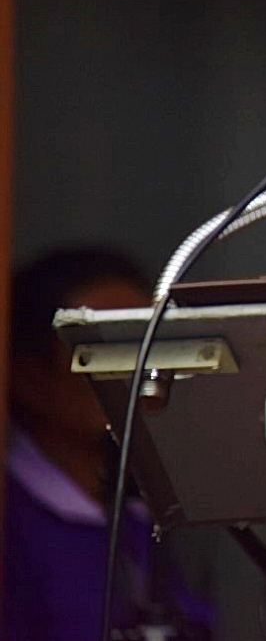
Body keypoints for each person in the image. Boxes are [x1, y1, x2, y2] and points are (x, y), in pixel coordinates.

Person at [5, 247, 211, 641]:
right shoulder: (11, 517)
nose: (135, 373)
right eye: (106, 351)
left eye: (144, 348)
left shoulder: (142, 508)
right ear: (30, 378)